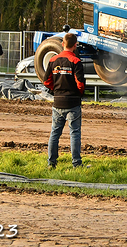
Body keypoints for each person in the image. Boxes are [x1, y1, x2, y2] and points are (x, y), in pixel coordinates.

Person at [44, 33, 85, 169]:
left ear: (62, 44)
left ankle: (51, 163)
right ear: (75, 45)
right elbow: (80, 83)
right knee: (74, 133)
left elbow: (46, 81)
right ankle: (76, 164)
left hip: (57, 102)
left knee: (54, 133)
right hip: (73, 103)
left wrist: (55, 90)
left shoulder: (53, 60)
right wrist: (78, 93)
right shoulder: (76, 61)